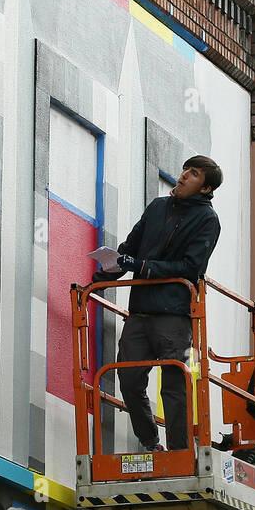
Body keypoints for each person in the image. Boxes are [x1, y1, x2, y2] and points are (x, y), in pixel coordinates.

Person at [93, 156, 222, 453]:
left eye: (193, 174)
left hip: (174, 315)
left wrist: (143, 266)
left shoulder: (207, 220)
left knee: (174, 387)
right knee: (128, 378)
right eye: (184, 171)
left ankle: (180, 453)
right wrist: (100, 277)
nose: (183, 177)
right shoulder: (158, 206)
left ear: (206, 188)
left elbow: (191, 267)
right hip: (139, 312)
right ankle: (151, 442)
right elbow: (129, 249)